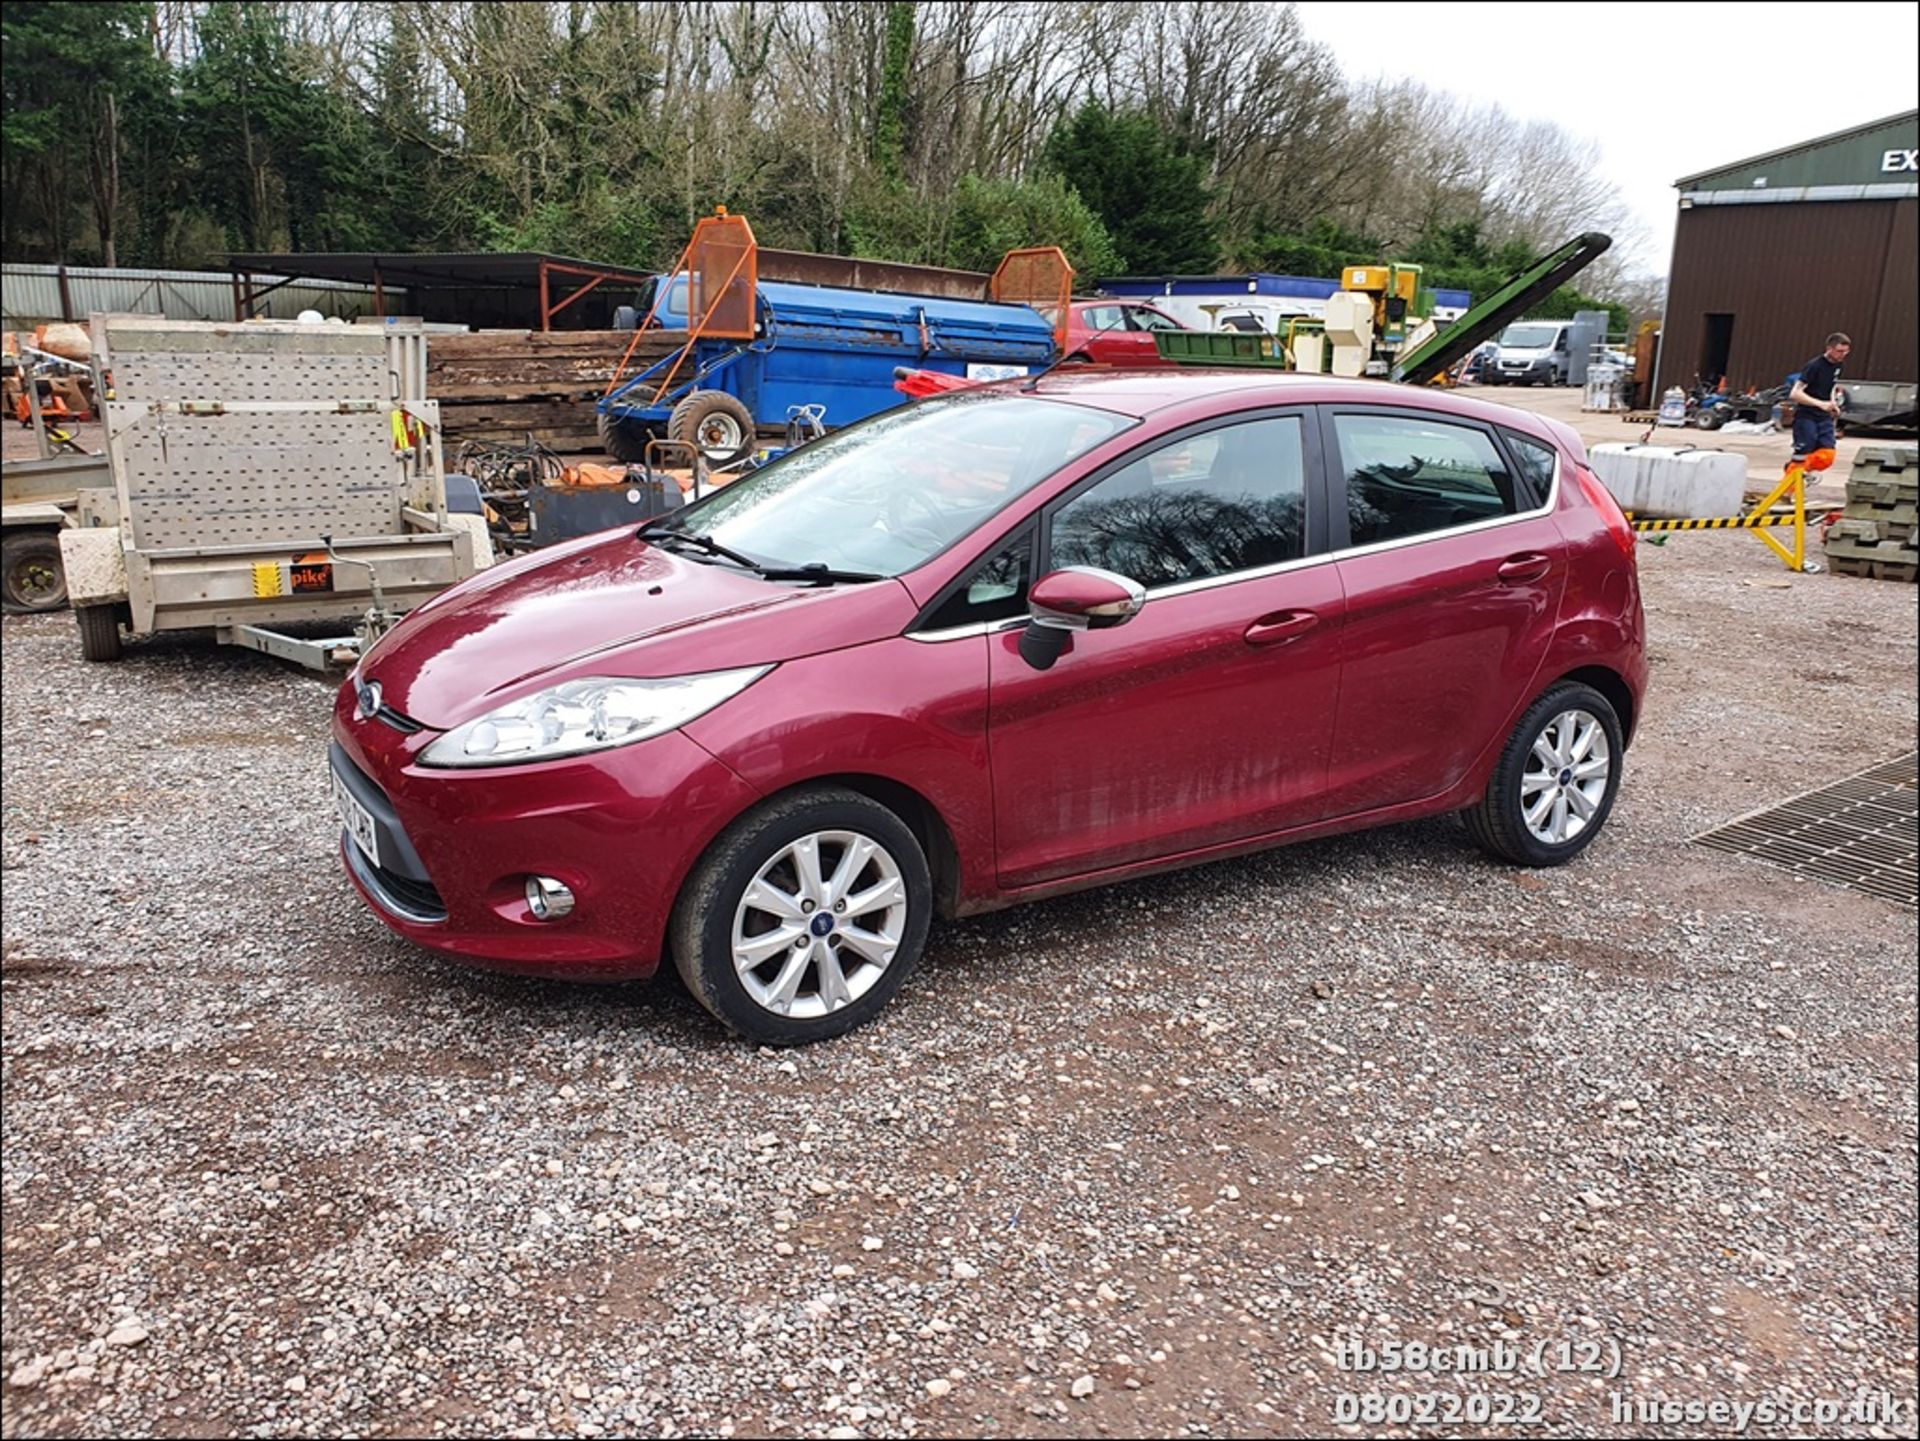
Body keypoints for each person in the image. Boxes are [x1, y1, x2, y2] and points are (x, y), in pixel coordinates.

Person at [1785, 332, 1851, 489]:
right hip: (1806, 415)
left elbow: (1831, 385)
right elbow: (1795, 393)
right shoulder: (1814, 366)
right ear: (1829, 348)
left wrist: (1832, 402)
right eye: (1839, 351)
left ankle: (1796, 471)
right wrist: (1820, 404)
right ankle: (1788, 490)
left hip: (1824, 416)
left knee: (1827, 456)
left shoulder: (1838, 365)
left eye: (1846, 352)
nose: (1843, 355)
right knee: (1803, 454)